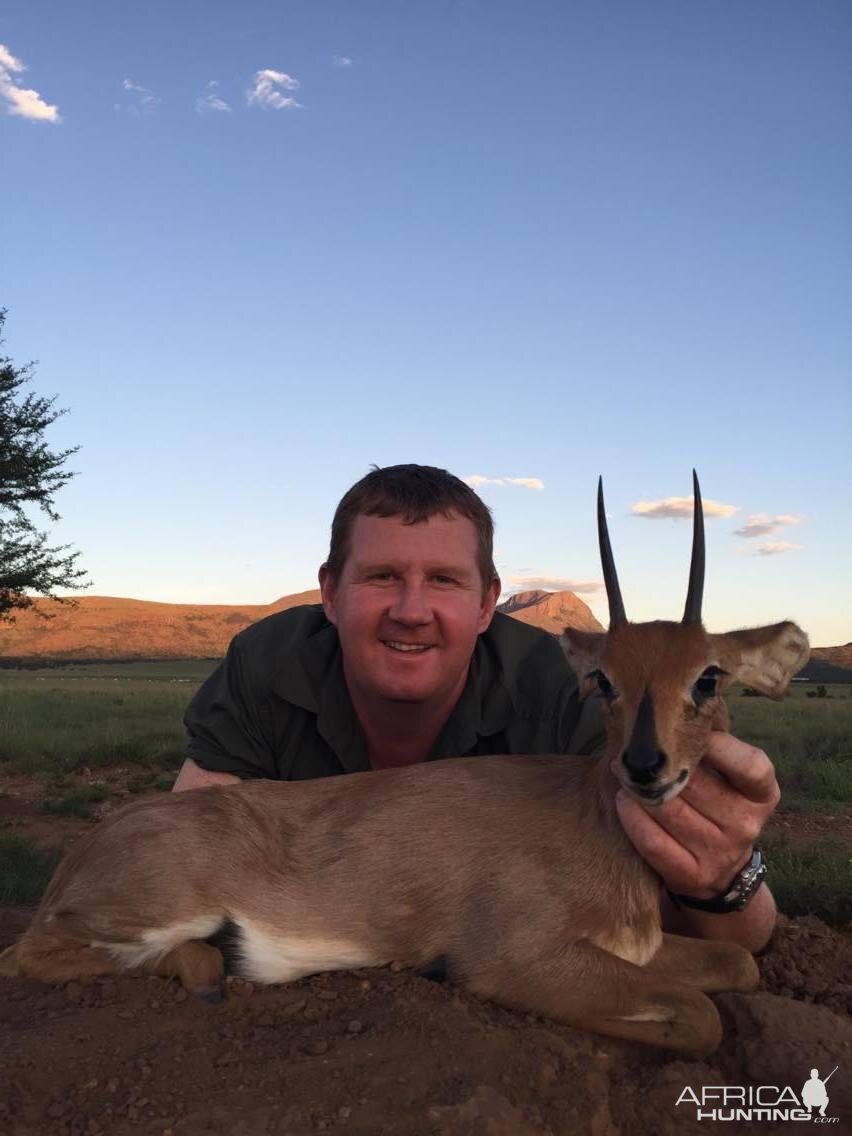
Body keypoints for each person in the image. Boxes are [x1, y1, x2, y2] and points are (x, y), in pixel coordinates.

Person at [175, 463, 780, 952]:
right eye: (382, 576)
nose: (411, 611)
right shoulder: (269, 661)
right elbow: (187, 843)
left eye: (444, 580)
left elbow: (717, 924)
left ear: (489, 603)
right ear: (330, 593)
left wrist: (726, 878)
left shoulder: (566, 688)